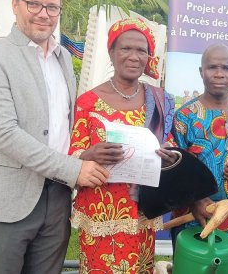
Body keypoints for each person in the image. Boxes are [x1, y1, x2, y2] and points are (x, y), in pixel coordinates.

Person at [0, 0, 109, 273]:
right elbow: (4, 132)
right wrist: (74, 168)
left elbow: (63, 125)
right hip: (7, 201)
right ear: (15, 5)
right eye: (34, 4)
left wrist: (82, 156)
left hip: (57, 198)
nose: (43, 14)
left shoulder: (64, 58)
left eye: (52, 7)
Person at [68, 17, 177, 274]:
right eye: (126, 48)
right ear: (112, 52)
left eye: (141, 50)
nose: (133, 56)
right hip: (101, 212)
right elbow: (71, 154)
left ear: (149, 57)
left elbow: (167, 141)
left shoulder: (158, 100)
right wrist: (89, 154)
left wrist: (169, 155)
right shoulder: (88, 102)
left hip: (142, 209)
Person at [171, 44, 228, 274]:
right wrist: (195, 201)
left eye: (226, 67)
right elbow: (173, 168)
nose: (219, 73)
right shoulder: (185, 116)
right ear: (201, 71)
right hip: (194, 218)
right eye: (212, 67)